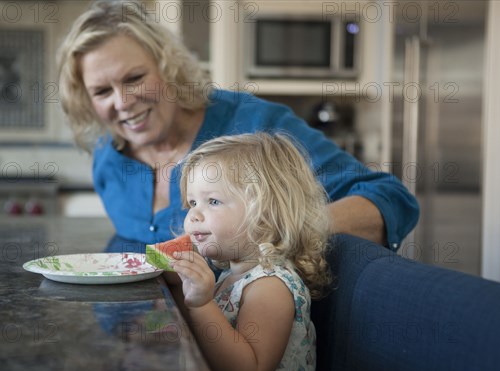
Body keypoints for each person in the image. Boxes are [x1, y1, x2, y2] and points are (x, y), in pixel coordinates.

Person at [57, 1, 419, 251]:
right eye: (102, 91)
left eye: (134, 78)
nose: (122, 102)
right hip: (149, 339)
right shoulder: (107, 158)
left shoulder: (254, 125)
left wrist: (277, 231)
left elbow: (391, 200)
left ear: (167, 68)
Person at [170, 132, 330, 371]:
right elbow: (203, 339)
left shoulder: (271, 286)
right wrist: (179, 286)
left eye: (213, 201)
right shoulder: (228, 277)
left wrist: (201, 303)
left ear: (265, 213)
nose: (193, 215)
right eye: (192, 202)